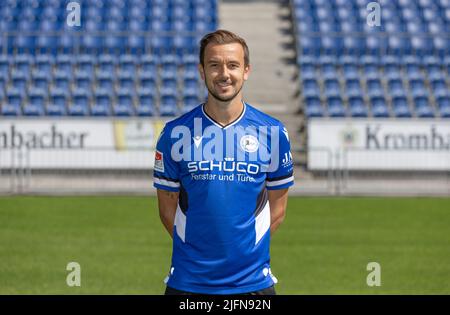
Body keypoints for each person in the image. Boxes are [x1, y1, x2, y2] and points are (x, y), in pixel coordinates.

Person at [153, 29, 294, 295]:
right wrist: (201, 252)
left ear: (247, 70)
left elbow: (278, 209)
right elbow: (166, 209)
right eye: (214, 65)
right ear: (202, 70)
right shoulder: (174, 134)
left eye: (233, 65)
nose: (224, 74)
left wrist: (241, 254)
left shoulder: (273, 133)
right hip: (189, 285)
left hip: (253, 285)